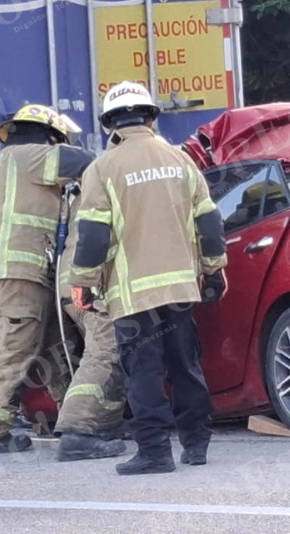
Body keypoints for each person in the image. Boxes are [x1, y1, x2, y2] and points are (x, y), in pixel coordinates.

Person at [69, 82, 228, 475]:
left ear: (110, 124)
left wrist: (83, 282)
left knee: (144, 373)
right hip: (179, 290)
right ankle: (196, 444)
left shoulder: (102, 169)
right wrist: (213, 270)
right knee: (184, 365)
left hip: (134, 295)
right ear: (151, 117)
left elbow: (92, 235)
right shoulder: (181, 160)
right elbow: (209, 222)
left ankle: (155, 452)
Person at [0, 104, 96, 455]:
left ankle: (77, 420)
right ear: (49, 137)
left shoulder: (17, 164)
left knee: (56, 345)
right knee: (17, 348)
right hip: (18, 274)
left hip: (27, 275)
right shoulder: (28, 157)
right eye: (58, 141)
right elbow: (85, 162)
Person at [51, 161, 129, 462]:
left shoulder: (92, 182)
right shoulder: (115, 179)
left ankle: (104, 427)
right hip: (89, 285)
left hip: (71, 283)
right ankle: (76, 433)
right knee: (104, 352)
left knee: (115, 352)